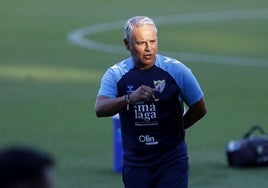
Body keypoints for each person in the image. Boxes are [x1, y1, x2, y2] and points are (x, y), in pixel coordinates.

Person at [94, 16, 207, 188]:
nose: (149, 48)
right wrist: (129, 98)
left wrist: (174, 130)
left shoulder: (177, 70)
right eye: (141, 43)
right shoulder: (116, 74)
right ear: (127, 44)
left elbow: (200, 108)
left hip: (171, 161)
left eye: (152, 41)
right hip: (136, 163)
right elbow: (100, 108)